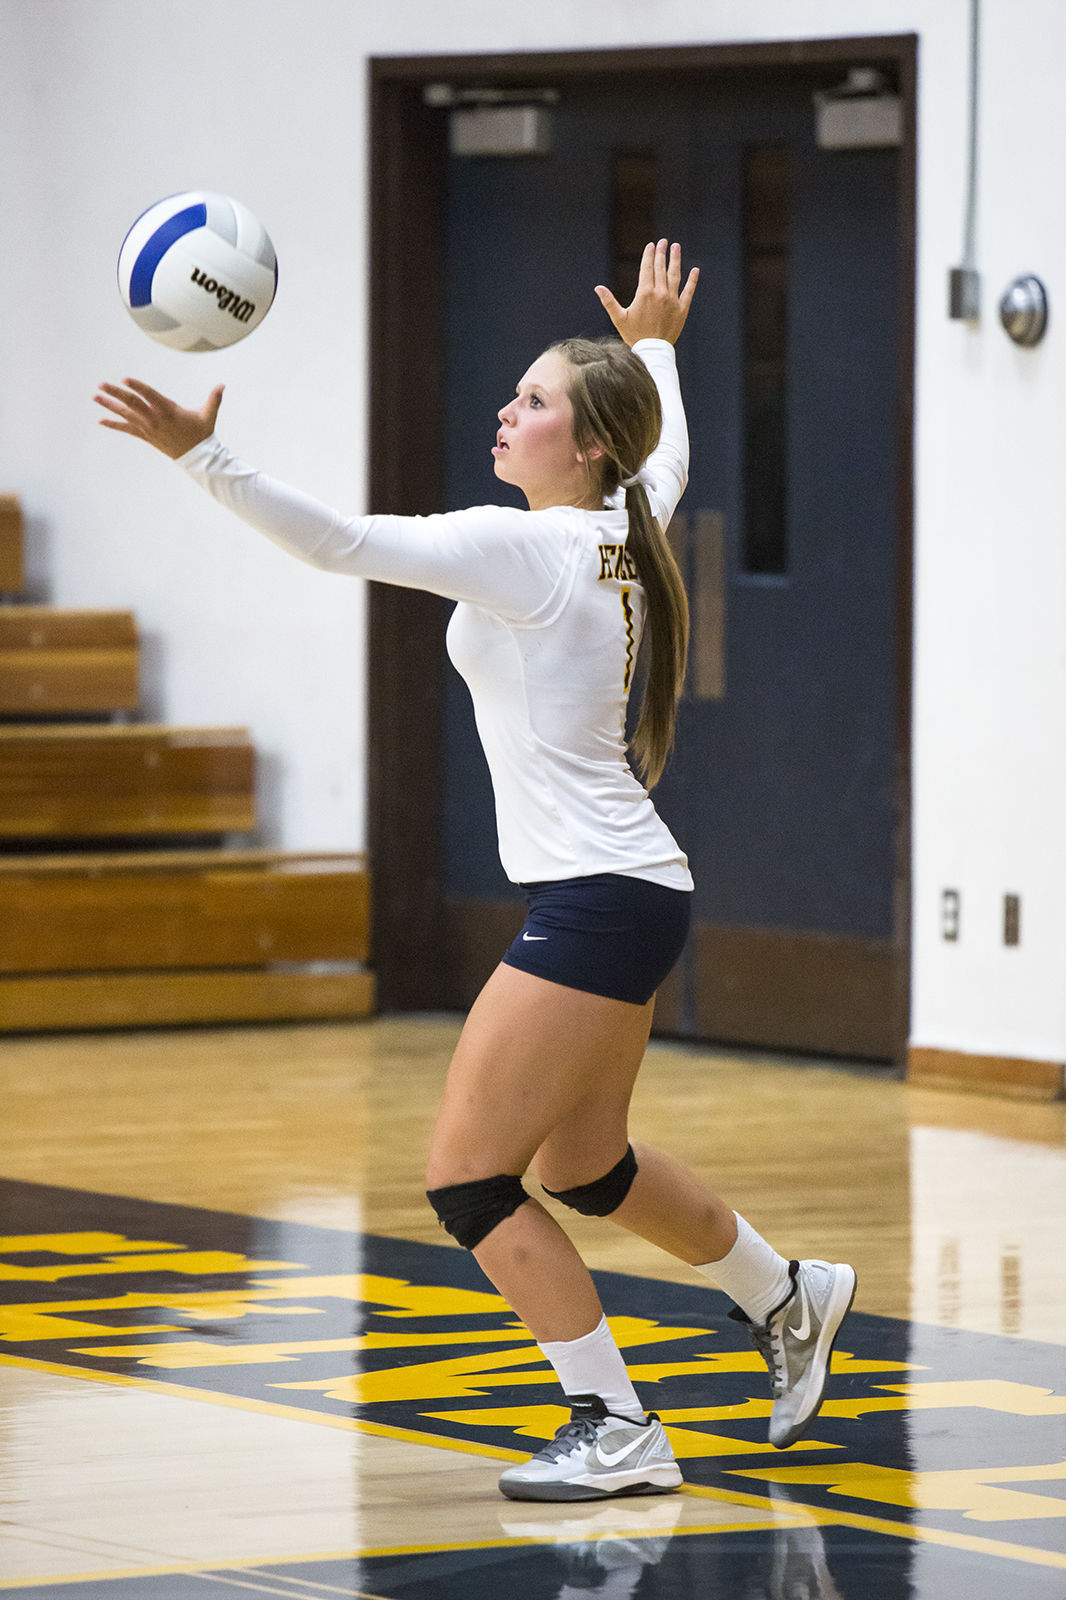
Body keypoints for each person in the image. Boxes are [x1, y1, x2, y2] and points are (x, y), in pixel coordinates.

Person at [95, 239, 856, 1503]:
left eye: (537, 401)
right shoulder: (624, 521)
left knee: (465, 1176)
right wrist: (656, 342)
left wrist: (200, 454)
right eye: (513, 394)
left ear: (586, 445)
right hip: (630, 891)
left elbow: (340, 541)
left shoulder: (531, 550)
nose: (507, 414)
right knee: (584, 1166)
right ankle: (784, 1292)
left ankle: (614, 1423)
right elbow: (670, 454)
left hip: (600, 901)